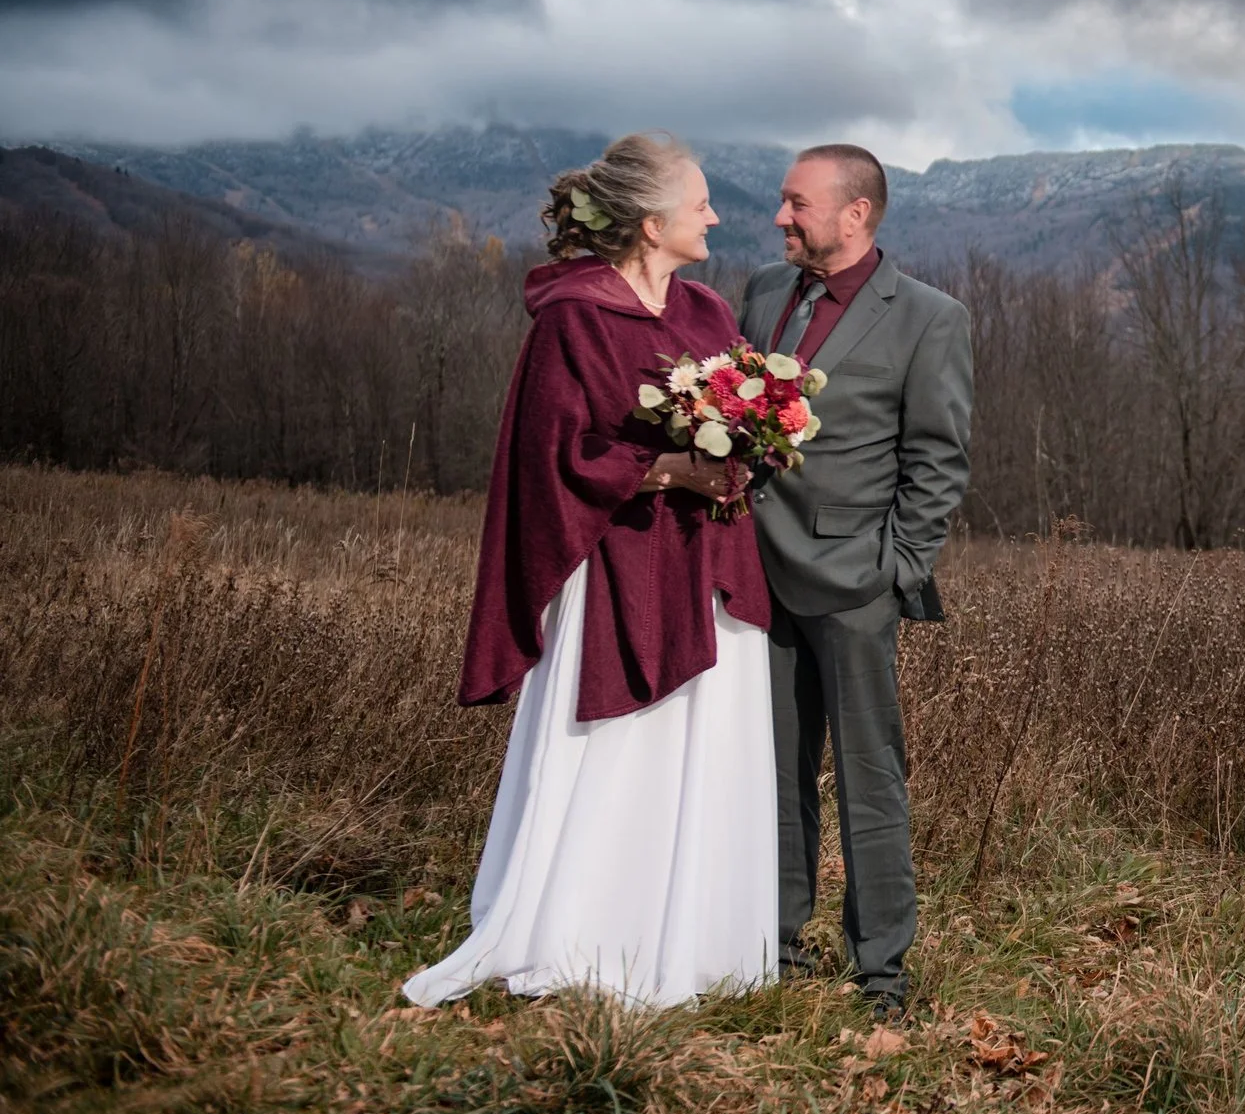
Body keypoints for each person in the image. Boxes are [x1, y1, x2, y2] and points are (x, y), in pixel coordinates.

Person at [404, 133, 778, 1009]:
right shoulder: (572, 318)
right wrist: (663, 470)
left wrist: (750, 446)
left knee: (702, 753)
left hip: (707, 564)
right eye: (699, 202)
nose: (714, 216)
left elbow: (739, 422)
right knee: (616, 758)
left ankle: (695, 941)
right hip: (613, 568)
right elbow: (551, 456)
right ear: (651, 223)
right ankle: (582, 935)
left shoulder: (708, 313)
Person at [740, 143, 972, 1021]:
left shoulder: (929, 318)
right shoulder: (765, 292)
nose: (780, 216)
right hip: (755, 577)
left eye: (796, 203)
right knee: (773, 772)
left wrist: (894, 570)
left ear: (855, 214)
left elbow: (938, 461)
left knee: (871, 780)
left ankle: (881, 973)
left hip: (855, 586)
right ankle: (773, 947)